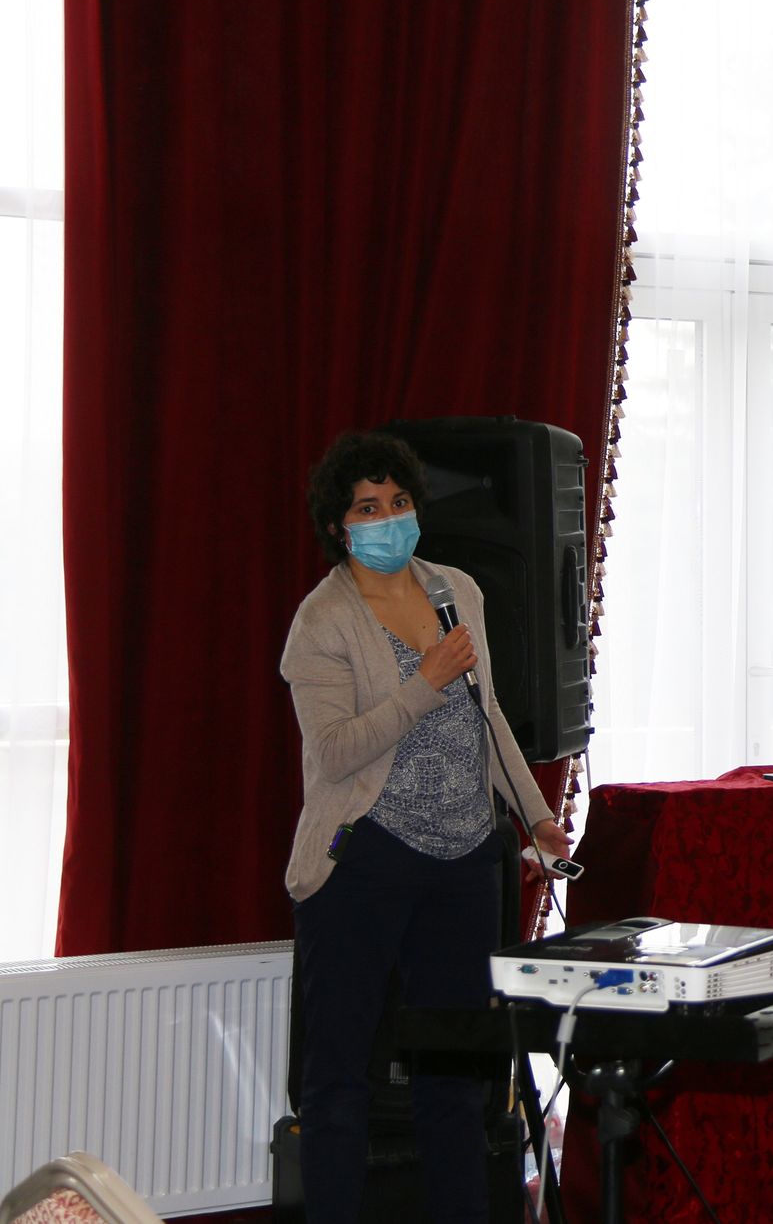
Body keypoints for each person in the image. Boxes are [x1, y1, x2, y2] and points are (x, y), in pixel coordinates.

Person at [280, 430, 573, 1223]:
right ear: (339, 526)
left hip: (465, 861)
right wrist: (424, 684)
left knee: (455, 1077)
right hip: (365, 857)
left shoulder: (457, 590)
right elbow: (335, 751)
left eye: (399, 501)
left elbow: (488, 713)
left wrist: (536, 814)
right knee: (337, 1077)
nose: (388, 518)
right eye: (367, 507)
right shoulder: (322, 621)